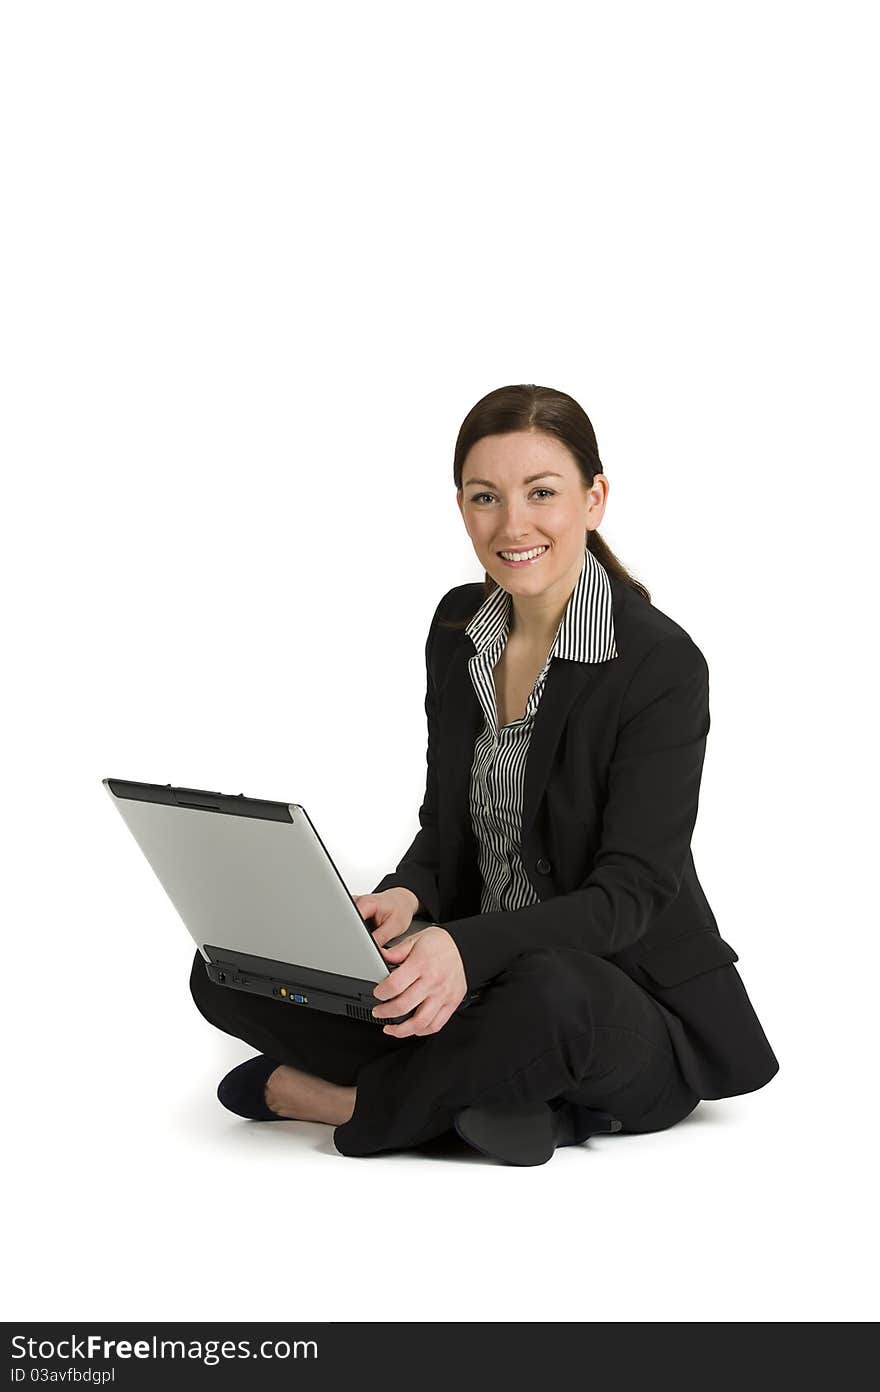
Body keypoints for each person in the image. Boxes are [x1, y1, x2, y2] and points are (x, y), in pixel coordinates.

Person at [189, 382, 780, 1166]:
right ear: (461, 506)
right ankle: (495, 1098)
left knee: (551, 998)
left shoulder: (660, 664)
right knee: (231, 967)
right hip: (480, 985)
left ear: (594, 498)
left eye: (542, 493)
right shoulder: (457, 628)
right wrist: (408, 897)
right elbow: (446, 827)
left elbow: (632, 893)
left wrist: (466, 948)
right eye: (484, 497)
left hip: (614, 1000)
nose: (512, 525)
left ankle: (350, 1100)